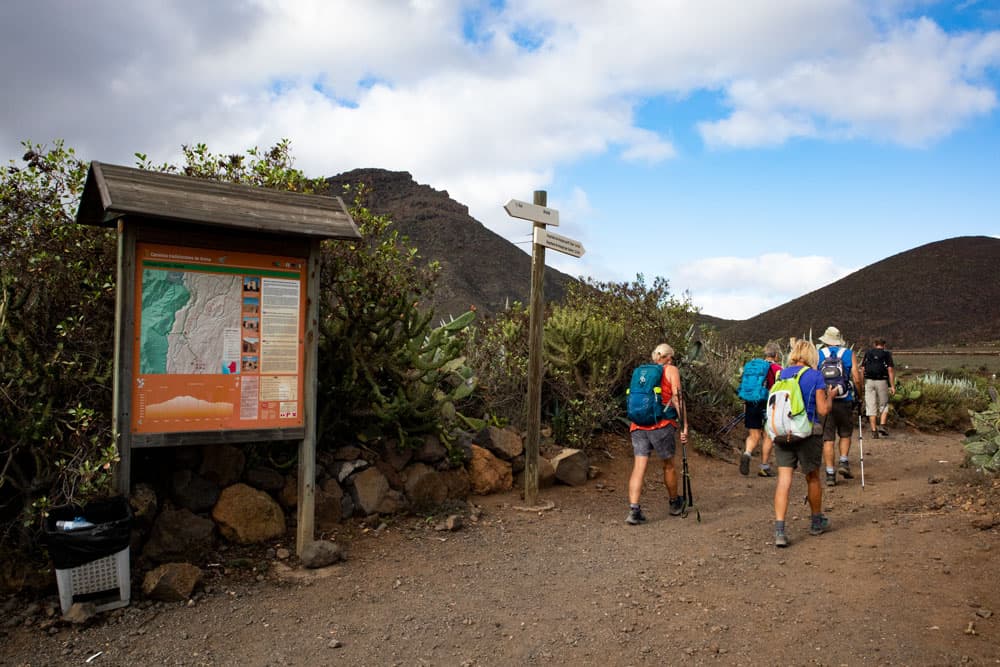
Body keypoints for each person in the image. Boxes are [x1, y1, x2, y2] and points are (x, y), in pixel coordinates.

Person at [772, 339, 834, 547]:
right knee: (813, 477)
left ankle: (780, 530)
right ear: (811, 356)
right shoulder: (815, 376)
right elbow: (823, 410)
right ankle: (816, 521)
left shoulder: (781, 374)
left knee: (784, 480)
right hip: (808, 433)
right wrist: (831, 397)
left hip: (782, 432)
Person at [626, 343, 689, 524]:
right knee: (668, 465)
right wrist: (684, 425)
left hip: (637, 425)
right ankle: (674, 503)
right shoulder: (671, 370)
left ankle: (634, 511)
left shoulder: (641, 372)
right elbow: (677, 397)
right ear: (668, 357)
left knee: (639, 467)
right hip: (661, 424)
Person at [817, 326, 863, 486]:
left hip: (825, 400)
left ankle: (830, 473)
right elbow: (856, 377)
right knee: (845, 433)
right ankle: (843, 462)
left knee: (828, 438)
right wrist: (859, 395)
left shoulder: (820, 354)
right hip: (844, 399)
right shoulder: (849, 354)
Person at [738, 342, 783, 477]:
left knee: (754, 435)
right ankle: (764, 467)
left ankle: (747, 453)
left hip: (751, 402)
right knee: (768, 435)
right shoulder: (777, 369)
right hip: (768, 404)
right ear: (776, 355)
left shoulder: (754, 367)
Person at [861, 338, 896, 438]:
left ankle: (873, 431)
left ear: (874, 344)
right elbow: (890, 370)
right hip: (882, 381)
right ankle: (882, 425)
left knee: (870, 406)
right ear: (884, 345)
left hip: (869, 381)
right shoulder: (886, 354)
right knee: (883, 404)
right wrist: (892, 385)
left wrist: (862, 384)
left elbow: (862, 369)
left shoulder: (868, 353)